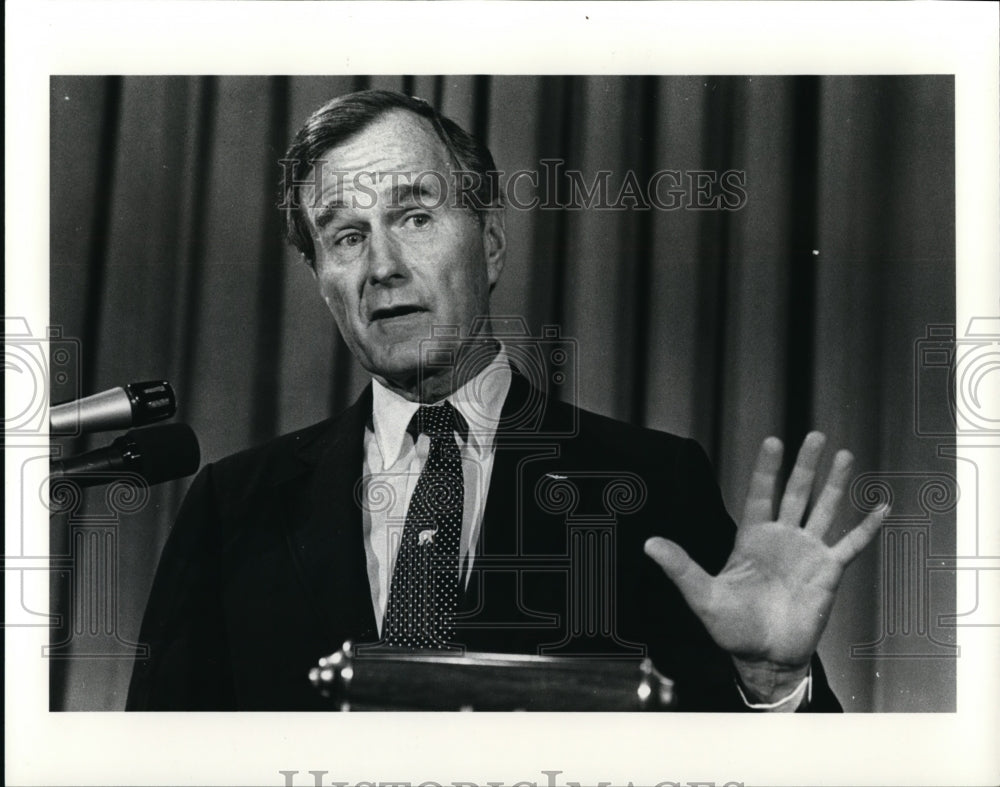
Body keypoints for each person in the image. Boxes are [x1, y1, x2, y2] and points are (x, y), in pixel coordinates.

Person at [126, 90, 885, 712]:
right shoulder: (232, 507)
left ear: (489, 244)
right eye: (346, 235)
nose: (383, 264)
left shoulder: (652, 484)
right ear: (320, 275)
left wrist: (773, 684)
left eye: (415, 216)